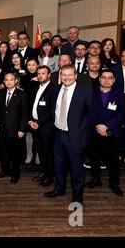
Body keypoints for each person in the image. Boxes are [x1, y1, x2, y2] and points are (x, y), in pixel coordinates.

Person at [45, 65, 93, 204]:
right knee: (58, 165)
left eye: (70, 75)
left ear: (76, 75)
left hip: (76, 137)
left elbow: (92, 115)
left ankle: (77, 198)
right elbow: (53, 110)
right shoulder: (56, 89)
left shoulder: (85, 91)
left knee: (76, 169)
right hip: (58, 134)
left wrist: (83, 133)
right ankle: (59, 189)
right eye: (63, 75)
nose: (66, 78)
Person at [86, 69, 125, 196]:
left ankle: (114, 183)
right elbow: (88, 112)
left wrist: (106, 126)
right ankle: (96, 179)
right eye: (104, 77)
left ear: (114, 80)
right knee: (94, 157)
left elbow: (120, 114)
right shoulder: (91, 93)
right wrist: (98, 127)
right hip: (95, 130)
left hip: (113, 132)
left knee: (114, 159)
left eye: (110, 78)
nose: (106, 80)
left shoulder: (120, 94)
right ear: (99, 79)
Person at [0, 73, 28, 184]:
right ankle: (5, 170)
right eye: (6, 80)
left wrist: (22, 129)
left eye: (11, 80)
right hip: (3, 128)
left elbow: (24, 114)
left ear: (15, 81)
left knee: (15, 153)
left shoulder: (21, 94)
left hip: (16, 129)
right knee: (4, 151)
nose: (9, 82)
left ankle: (15, 174)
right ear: (4, 82)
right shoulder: (0, 93)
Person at [28, 66, 55, 187]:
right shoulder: (35, 88)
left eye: (43, 73)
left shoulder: (53, 89)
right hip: (35, 125)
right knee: (40, 152)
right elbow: (31, 106)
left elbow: (51, 110)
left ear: (49, 75)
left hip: (46, 127)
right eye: (38, 73)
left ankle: (49, 177)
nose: (40, 76)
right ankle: (43, 173)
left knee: (48, 153)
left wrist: (38, 123)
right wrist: (31, 121)